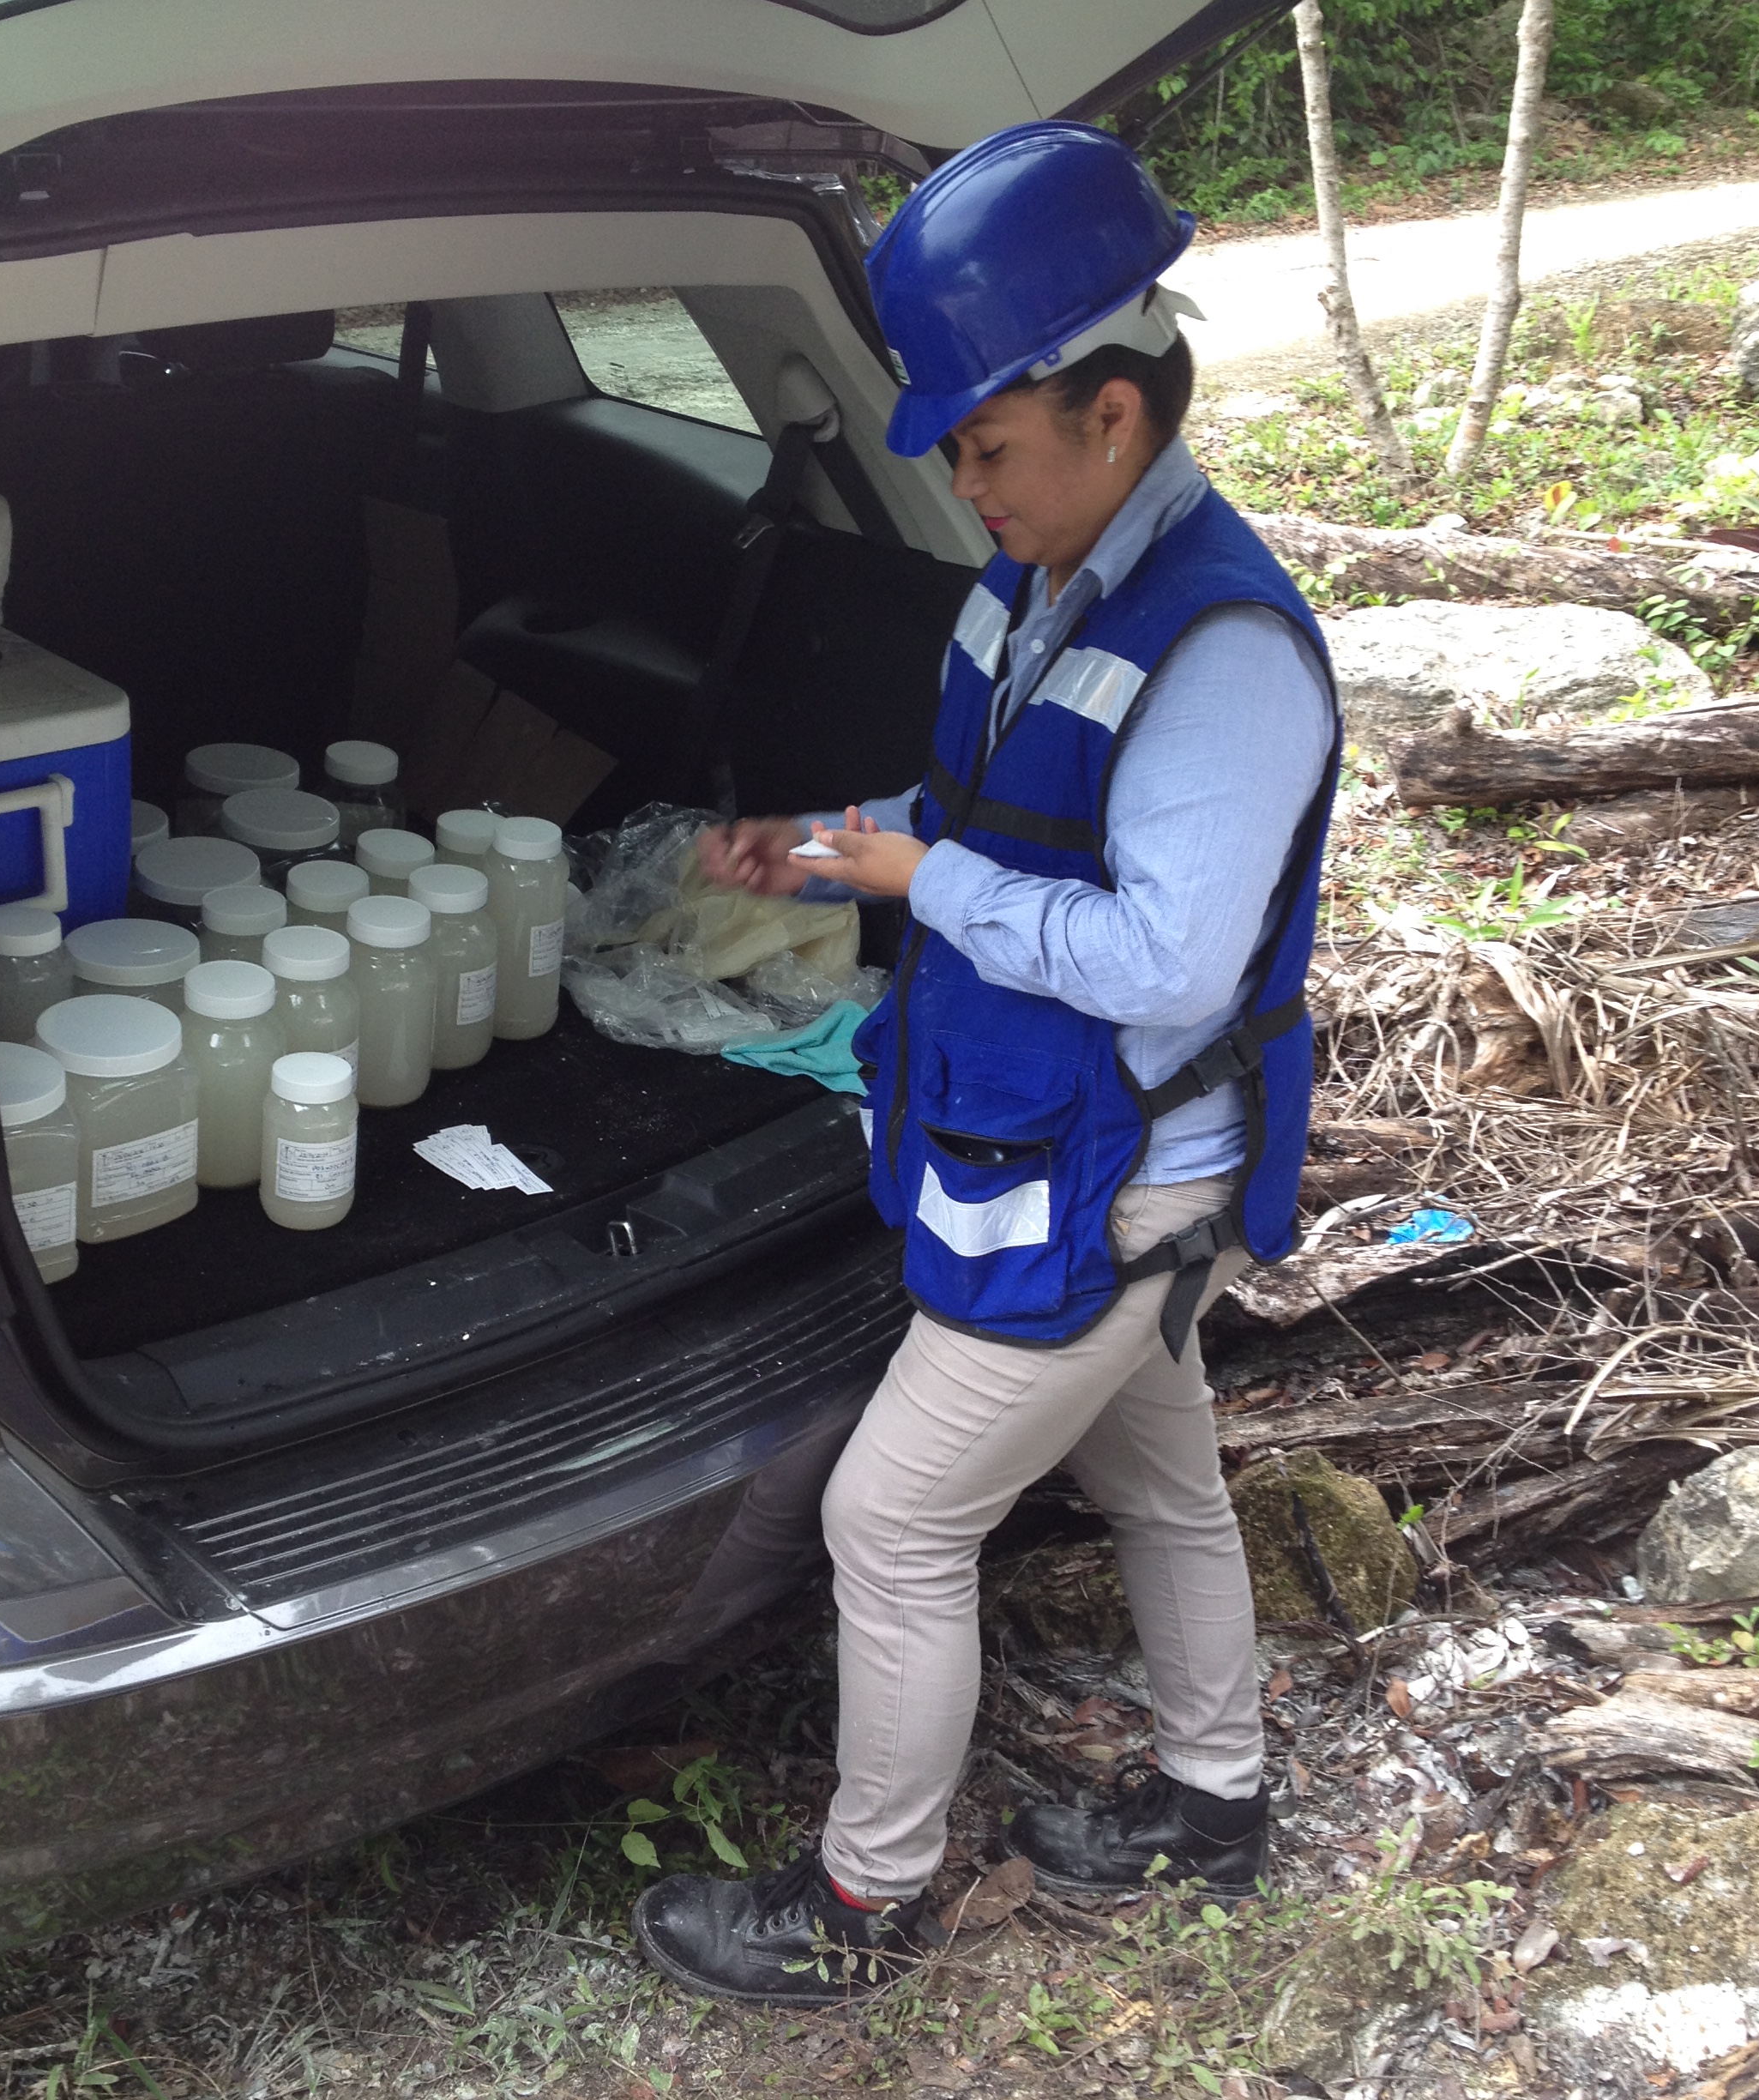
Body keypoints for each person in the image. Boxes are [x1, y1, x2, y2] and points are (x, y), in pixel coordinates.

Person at [631, 120, 1340, 2007]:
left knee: (892, 1514)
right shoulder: (1036, 580)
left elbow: (1163, 962)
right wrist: (837, 833)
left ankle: (866, 1906)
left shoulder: (1226, 653)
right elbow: (980, 814)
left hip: (1127, 1164)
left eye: (988, 444)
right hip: (1044, 1141)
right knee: (1164, 1480)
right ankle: (1219, 1796)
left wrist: (921, 876)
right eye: (947, 446)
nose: (962, 480)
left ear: (1114, 415)